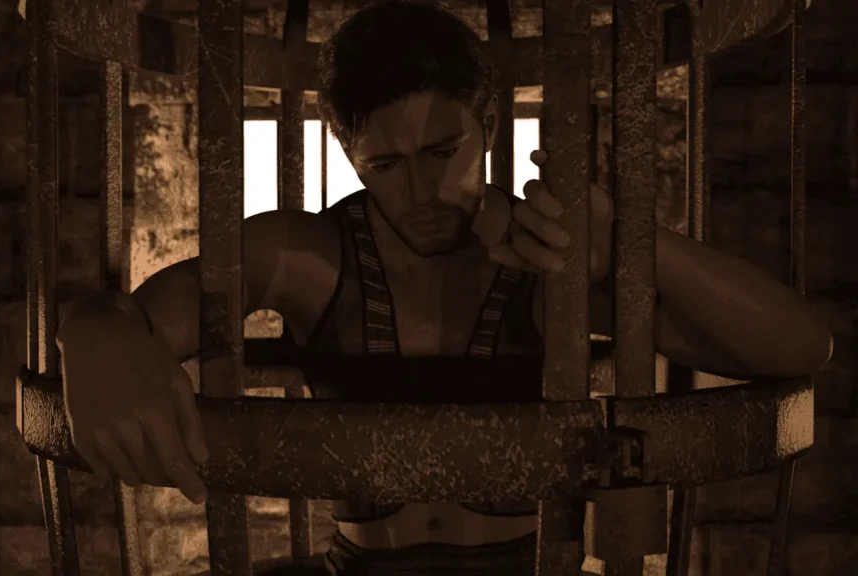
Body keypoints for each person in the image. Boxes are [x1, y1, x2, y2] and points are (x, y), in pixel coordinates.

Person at [56, 1, 833, 574]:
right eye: (386, 165)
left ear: (488, 126)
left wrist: (633, 243)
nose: (422, 191)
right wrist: (91, 329)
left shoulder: (538, 258)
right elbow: (132, 319)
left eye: (442, 152)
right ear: (350, 155)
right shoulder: (305, 253)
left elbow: (799, 346)